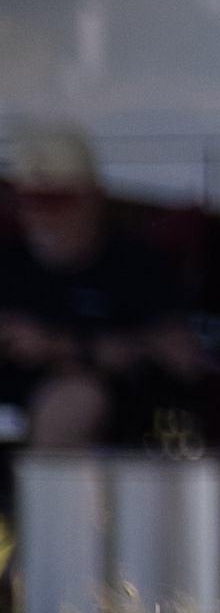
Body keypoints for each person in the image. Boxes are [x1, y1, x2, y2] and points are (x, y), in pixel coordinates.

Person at [0, 121, 205, 457]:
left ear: (93, 197)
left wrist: (58, 345)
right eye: (29, 200)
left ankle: (41, 509)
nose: (41, 216)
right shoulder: (9, 264)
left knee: (74, 398)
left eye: (56, 200)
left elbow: (182, 358)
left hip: (114, 423)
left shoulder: (136, 265)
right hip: (14, 401)